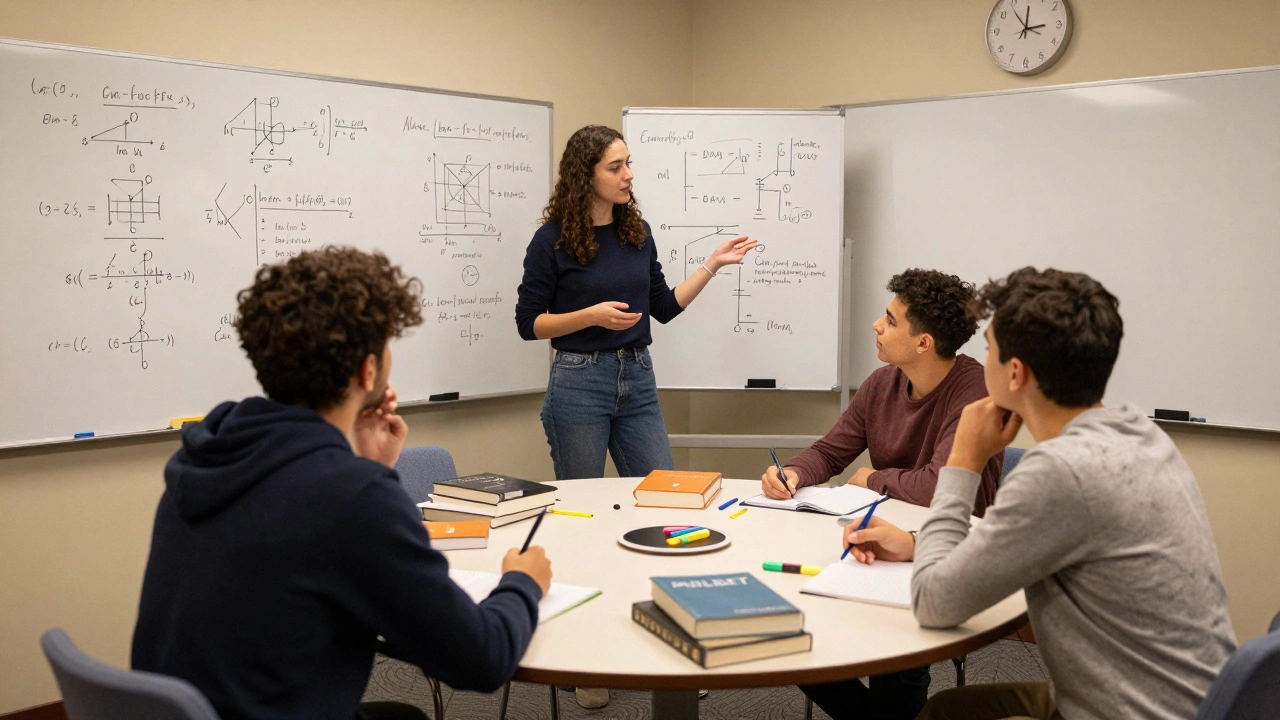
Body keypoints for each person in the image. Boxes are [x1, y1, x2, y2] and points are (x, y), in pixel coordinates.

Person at [131, 247, 554, 720]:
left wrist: (365, 465)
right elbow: (481, 659)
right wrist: (522, 582)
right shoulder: (349, 497)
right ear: (367, 370)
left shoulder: (210, 452)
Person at [844, 267, 1237, 720]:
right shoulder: (1140, 436)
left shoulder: (1060, 474)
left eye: (988, 349)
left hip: (1129, 712)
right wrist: (916, 544)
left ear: (1015, 374)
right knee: (950, 709)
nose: (977, 362)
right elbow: (1034, 539)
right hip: (1198, 701)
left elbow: (934, 605)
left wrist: (965, 461)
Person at [760, 268, 1002, 720]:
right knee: (787, 623)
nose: (877, 325)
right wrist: (791, 471)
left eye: (890, 320)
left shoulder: (974, 391)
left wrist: (871, 478)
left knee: (895, 647)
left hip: (946, 547)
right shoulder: (881, 383)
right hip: (881, 540)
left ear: (923, 343)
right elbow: (831, 452)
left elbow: (938, 489)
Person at [516, 124, 757, 483]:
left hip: (638, 377)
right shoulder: (551, 240)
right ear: (585, 176)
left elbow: (662, 307)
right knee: (584, 501)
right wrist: (590, 317)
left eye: (628, 164)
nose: (628, 175)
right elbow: (528, 324)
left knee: (663, 492)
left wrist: (713, 264)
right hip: (580, 382)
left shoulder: (637, 232)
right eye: (615, 167)